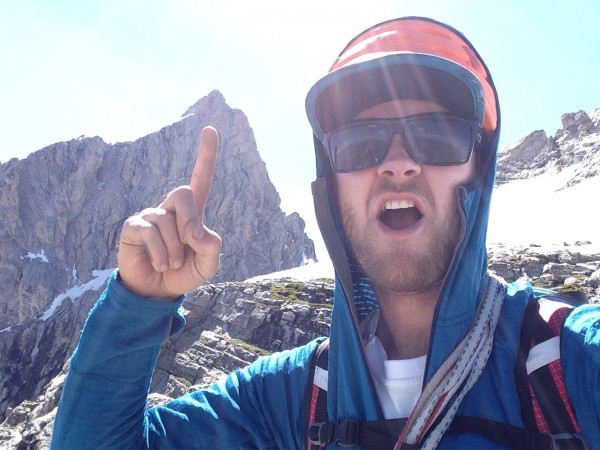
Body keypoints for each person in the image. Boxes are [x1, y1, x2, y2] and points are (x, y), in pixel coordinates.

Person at [51, 17, 600, 449]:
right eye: (361, 143)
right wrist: (139, 304)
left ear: (478, 171)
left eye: (435, 135)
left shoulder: (572, 365)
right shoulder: (289, 398)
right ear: (330, 186)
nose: (398, 164)